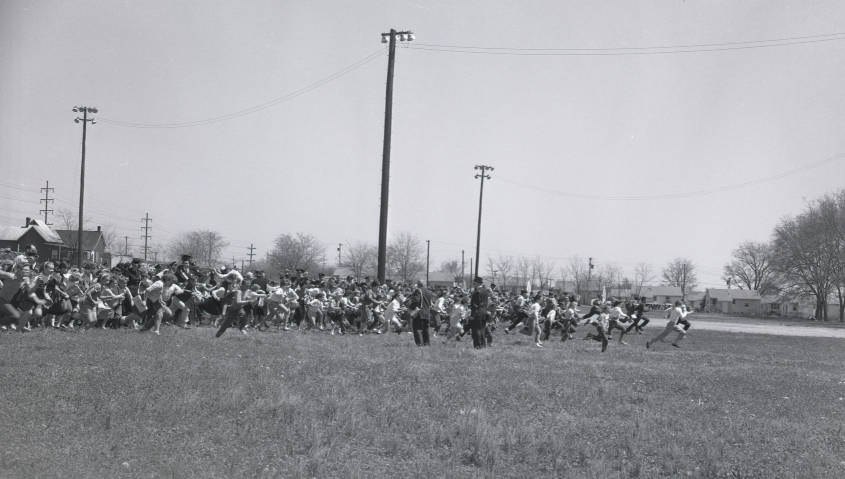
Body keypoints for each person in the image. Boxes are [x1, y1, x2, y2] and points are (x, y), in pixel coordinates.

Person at [469, 277, 490, 349]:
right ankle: (483, 345)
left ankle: (478, 346)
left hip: (477, 313)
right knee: (482, 329)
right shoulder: (485, 291)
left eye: (474, 283)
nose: (473, 284)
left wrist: (473, 315)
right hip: (484, 312)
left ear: (478, 283)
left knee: (476, 330)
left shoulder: (477, 292)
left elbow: (475, 305)